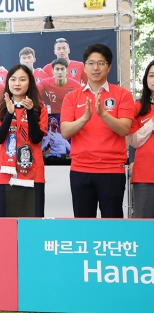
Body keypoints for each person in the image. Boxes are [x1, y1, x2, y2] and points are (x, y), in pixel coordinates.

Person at [61, 43, 134, 218]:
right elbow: (65, 132)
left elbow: (124, 129)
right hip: (80, 170)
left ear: (109, 67)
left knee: (112, 224)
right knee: (84, 224)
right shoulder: (72, 97)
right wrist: (84, 118)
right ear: (84, 67)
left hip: (111, 170)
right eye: (91, 63)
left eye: (101, 63)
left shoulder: (123, 95)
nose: (96, 68)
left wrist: (102, 114)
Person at [0, 64, 47, 217]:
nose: (17, 83)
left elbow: (36, 139)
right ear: (8, 82)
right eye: (13, 79)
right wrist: (9, 113)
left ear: (30, 83)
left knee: (32, 226)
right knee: (4, 228)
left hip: (33, 173)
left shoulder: (40, 109)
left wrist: (29, 111)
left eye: (22, 79)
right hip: (5, 174)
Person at [127, 59, 154, 217]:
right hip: (145, 175)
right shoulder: (138, 106)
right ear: (146, 80)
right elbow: (134, 141)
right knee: (144, 223)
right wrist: (151, 123)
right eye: (151, 75)